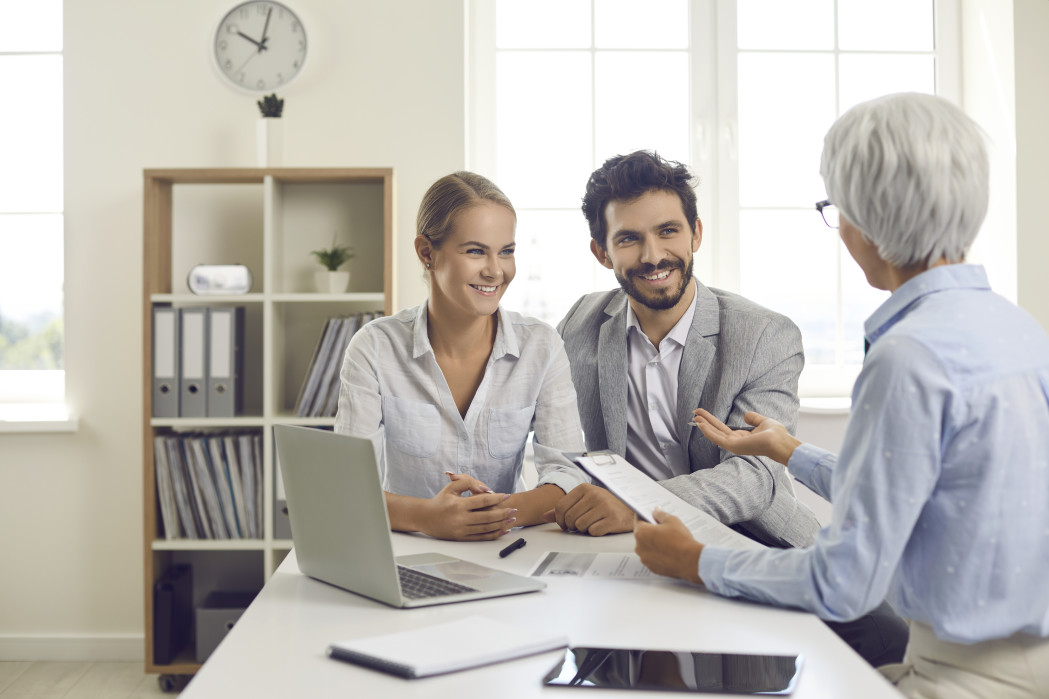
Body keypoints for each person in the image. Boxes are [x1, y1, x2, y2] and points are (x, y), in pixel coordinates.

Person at [635, 93, 1049, 698]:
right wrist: (789, 450)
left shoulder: (908, 356)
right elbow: (922, 492)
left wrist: (696, 560)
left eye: (837, 208)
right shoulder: (1015, 328)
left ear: (869, 218)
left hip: (961, 676)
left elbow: (842, 582)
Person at [553, 149, 907, 668]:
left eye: (668, 231)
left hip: (753, 542)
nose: (654, 255)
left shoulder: (763, 333)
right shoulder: (580, 323)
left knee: (883, 635)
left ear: (696, 233)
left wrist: (637, 505)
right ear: (602, 251)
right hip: (624, 552)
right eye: (629, 238)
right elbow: (563, 446)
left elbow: (754, 476)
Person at [335, 171, 589, 541]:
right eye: (475, 251)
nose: (495, 270)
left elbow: (566, 475)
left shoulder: (542, 347)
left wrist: (491, 515)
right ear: (427, 253)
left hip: (505, 550)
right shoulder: (374, 348)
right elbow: (349, 486)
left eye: (506, 251)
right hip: (406, 551)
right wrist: (428, 517)